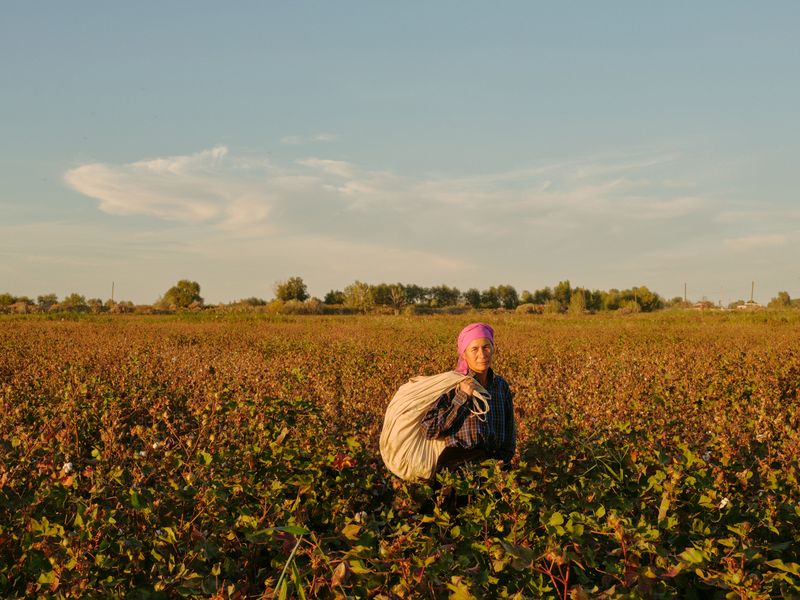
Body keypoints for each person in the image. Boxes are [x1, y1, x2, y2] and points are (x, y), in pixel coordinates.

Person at [421, 322, 516, 472]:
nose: (482, 354)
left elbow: (509, 430)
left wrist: (503, 460)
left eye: (486, 347)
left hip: (494, 464)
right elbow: (429, 429)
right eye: (474, 349)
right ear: (464, 354)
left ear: (493, 349)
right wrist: (462, 398)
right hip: (458, 466)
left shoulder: (500, 386)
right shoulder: (453, 385)